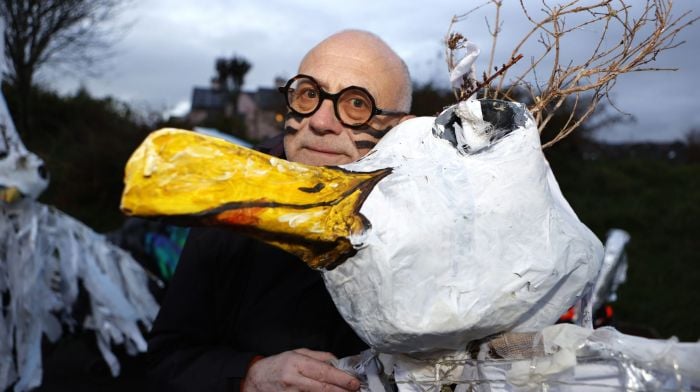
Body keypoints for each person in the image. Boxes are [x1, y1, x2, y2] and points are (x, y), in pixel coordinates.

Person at [147, 29, 413, 392]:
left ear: (401, 130)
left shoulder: (431, 217)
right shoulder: (233, 203)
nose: (320, 121)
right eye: (309, 94)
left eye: (356, 104)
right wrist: (248, 376)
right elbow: (168, 358)